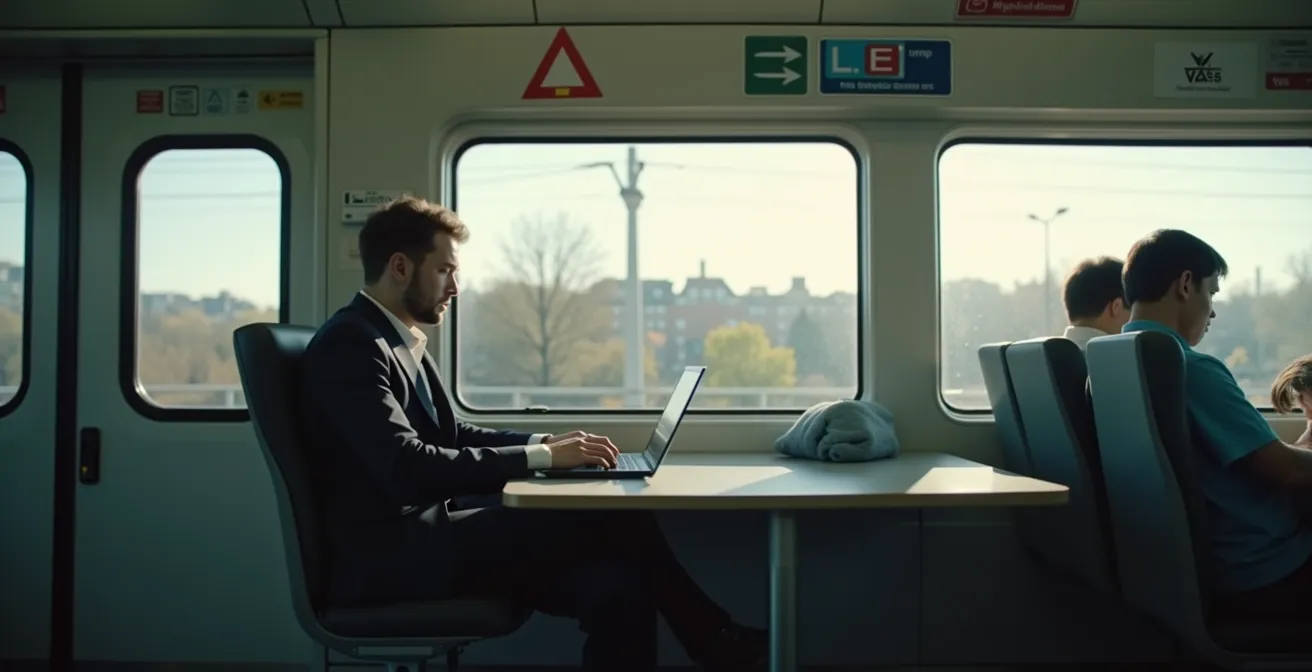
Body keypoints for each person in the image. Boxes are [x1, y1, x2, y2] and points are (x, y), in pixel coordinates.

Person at [299, 197, 766, 671]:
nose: (455, 286)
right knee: (618, 516)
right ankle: (714, 639)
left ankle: (714, 639)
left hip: (428, 539)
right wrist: (543, 461)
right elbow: (405, 466)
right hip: (392, 558)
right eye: (445, 270)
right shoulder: (352, 344)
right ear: (400, 266)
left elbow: (453, 434)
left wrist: (541, 444)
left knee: (622, 586)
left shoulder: (398, 338)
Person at [1119, 228, 1312, 619]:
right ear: (1186, 285)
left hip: (1216, 561)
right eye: (1212, 293)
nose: (1212, 311)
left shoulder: (1116, 360)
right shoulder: (1190, 369)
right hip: (1268, 568)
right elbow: (1286, 471)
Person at [1059, 256, 1130, 350]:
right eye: (1131, 310)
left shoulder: (1046, 355)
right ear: (1116, 307)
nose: (1131, 320)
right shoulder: (1122, 359)